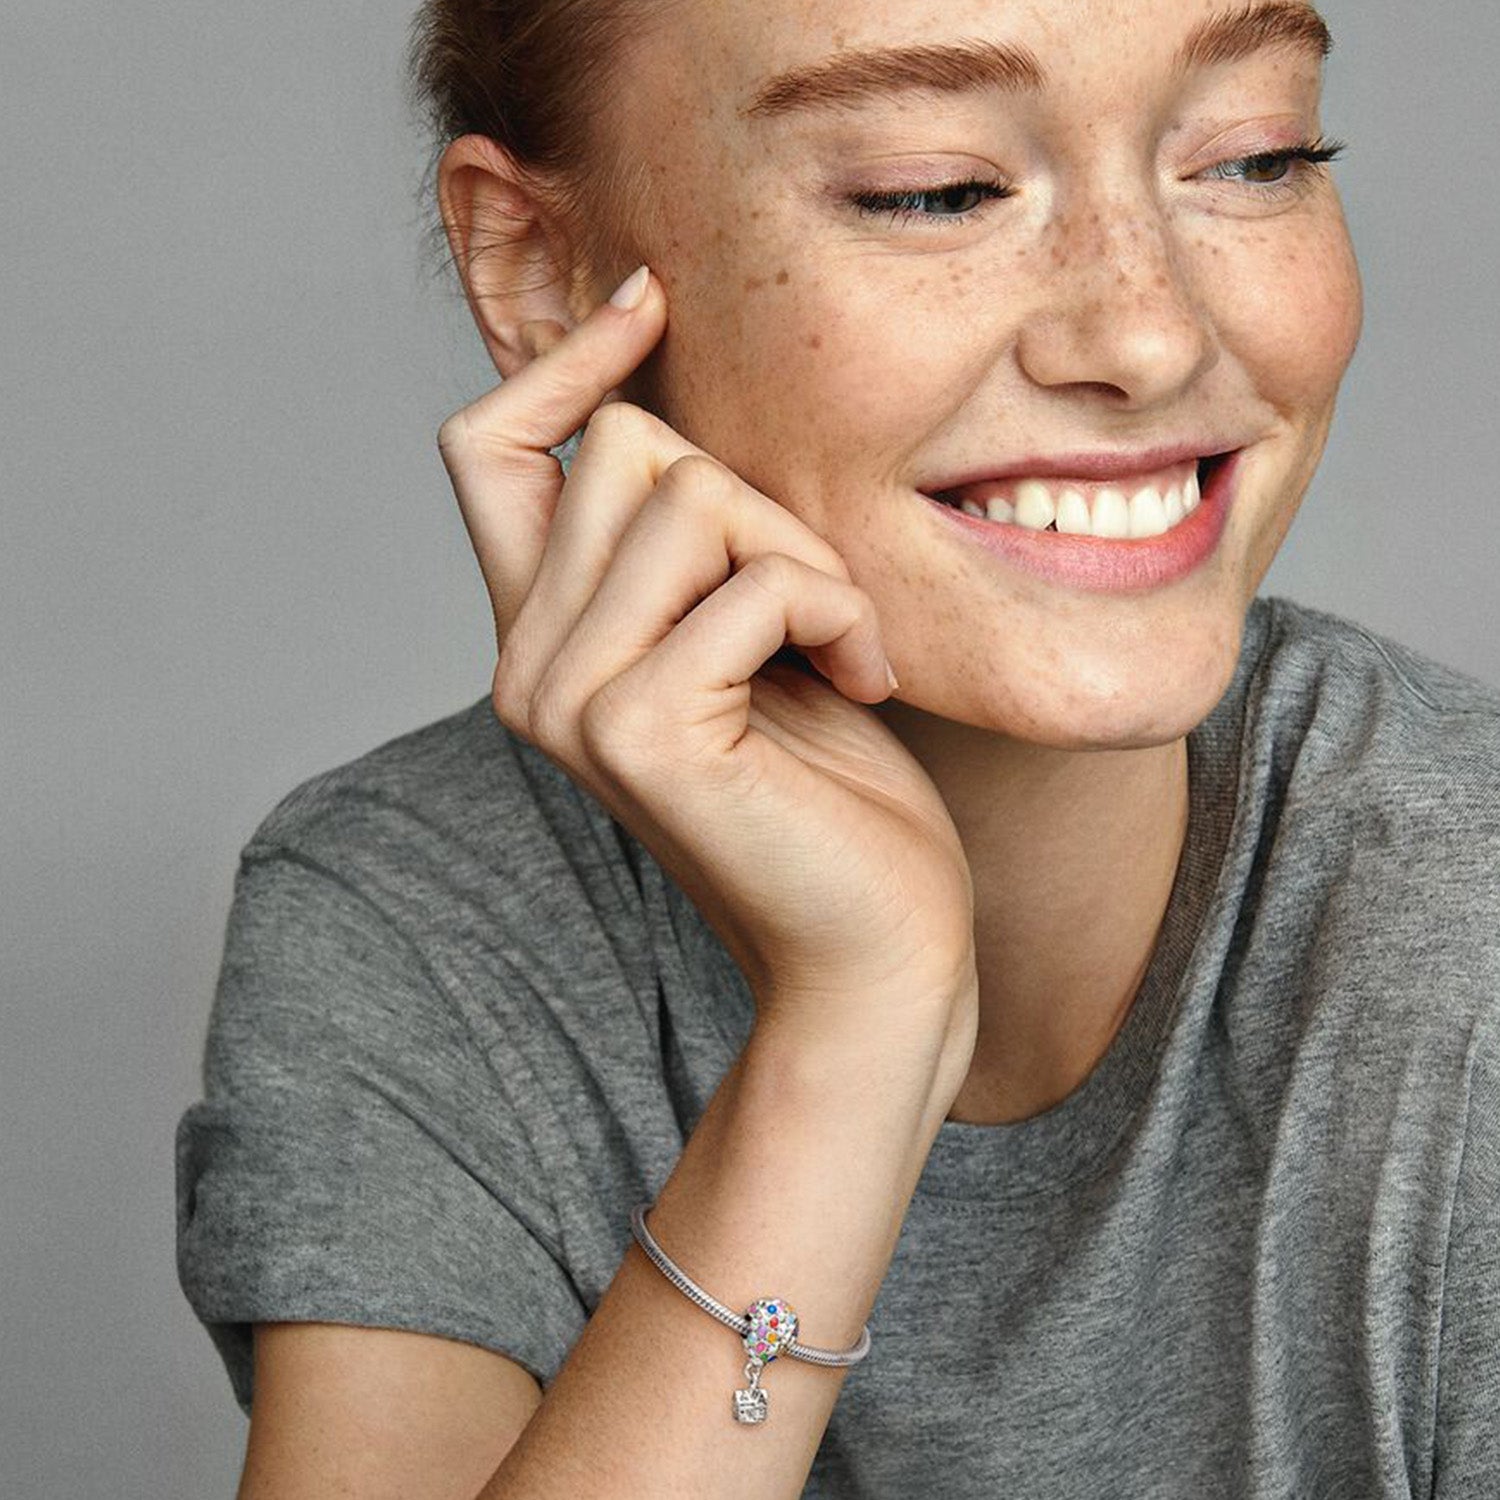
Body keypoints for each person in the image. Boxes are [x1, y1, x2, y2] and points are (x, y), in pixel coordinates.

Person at [174, 0, 1500, 1494]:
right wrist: (856, 1025)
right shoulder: (418, 910)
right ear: (536, 268)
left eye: (1257, 158)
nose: (1150, 333)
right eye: (935, 189)